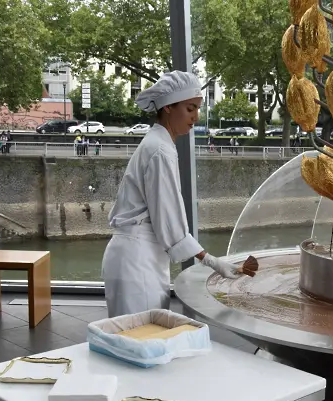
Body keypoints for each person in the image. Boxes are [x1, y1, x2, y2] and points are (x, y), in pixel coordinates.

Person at [102, 70, 239, 318]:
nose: (196, 117)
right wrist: (211, 261)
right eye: (190, 109)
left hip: (135, 258)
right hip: (137, 261)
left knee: (134, 334)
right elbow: (169, 221)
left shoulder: (158, 144)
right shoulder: (160, 151)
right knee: (143, 334)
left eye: (198, 109)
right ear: (167, 107)